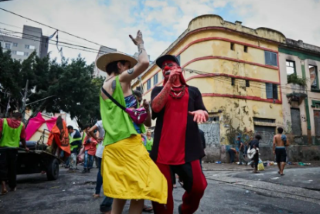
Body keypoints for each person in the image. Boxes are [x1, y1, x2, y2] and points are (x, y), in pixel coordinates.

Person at [96, 30, 167, 214]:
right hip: (128, 144)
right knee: (143, 188)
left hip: (112, 146)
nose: (131, 70)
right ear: (120, 66)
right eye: (128, 65)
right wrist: (140, 44)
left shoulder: (103, 89)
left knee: (121, 193)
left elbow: (144, 122)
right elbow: (144, 62)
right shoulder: (119, 81)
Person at [151, 54, 209, 214]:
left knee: (199, 187)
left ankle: (185, 209)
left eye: (170, 64)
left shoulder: (193, 91)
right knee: (161, 195)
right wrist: (168, 83)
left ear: (179, 69)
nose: (166, 68)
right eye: (163, 68)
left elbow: (204, 110)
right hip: (162, 153)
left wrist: (202, 112)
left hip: (188, 151)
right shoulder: (157, 90)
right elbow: (155, 108)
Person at [0, 112, 28, 195]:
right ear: (19, 117)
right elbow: (22, 138)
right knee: (12, 168)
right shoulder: (21, 125)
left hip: (3, 149)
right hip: (14, 150)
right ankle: (13, 186)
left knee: (2, 167)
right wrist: (25, 147)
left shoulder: (2, 121)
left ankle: (4, 186)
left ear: (11, 116)